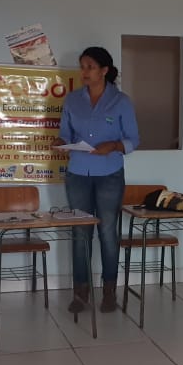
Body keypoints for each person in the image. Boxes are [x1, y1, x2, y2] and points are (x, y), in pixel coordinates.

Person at [53, 47, 139, 314]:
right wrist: (60, 142)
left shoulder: (121, 101)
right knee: (80, 233)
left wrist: (113, 145)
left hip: (109, 175)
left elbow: (133, 140)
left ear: (104, 70)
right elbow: (65, 133)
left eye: (90, 67)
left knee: (108, 233)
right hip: (78, 173)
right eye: (82, 67)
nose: (84, 72)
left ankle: (109, 292)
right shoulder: (72, 100)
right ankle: (81, 293)